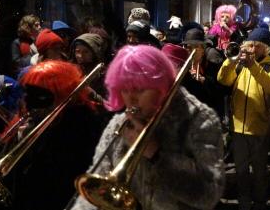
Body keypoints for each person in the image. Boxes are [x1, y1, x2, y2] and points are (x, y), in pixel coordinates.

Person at [71, 45, 224, 210]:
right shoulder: (118, 123)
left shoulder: (199, 120)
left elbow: (209, 195)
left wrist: (157, 155)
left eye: (139, 89)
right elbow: (95, 188)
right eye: (124, 89)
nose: (131, 98)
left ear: (161, 88)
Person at [5, 60, 105, 210]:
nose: (27, 101)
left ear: (60, 94)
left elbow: (53, 183)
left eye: (38, 95)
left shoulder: (80, 130)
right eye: (28, 92)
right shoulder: (35, 120)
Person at [217, 28, 270, 210]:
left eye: (255, 46)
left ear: (264, 48)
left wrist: (253, 66)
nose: (251, 49)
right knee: (241, 170)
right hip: (238, 126)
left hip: (259, 126)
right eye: (249, 45)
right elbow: (223, 80)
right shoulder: (239, 64)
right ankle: (244, 202)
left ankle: (260, 202)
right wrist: (230, 62)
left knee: (260, 170)